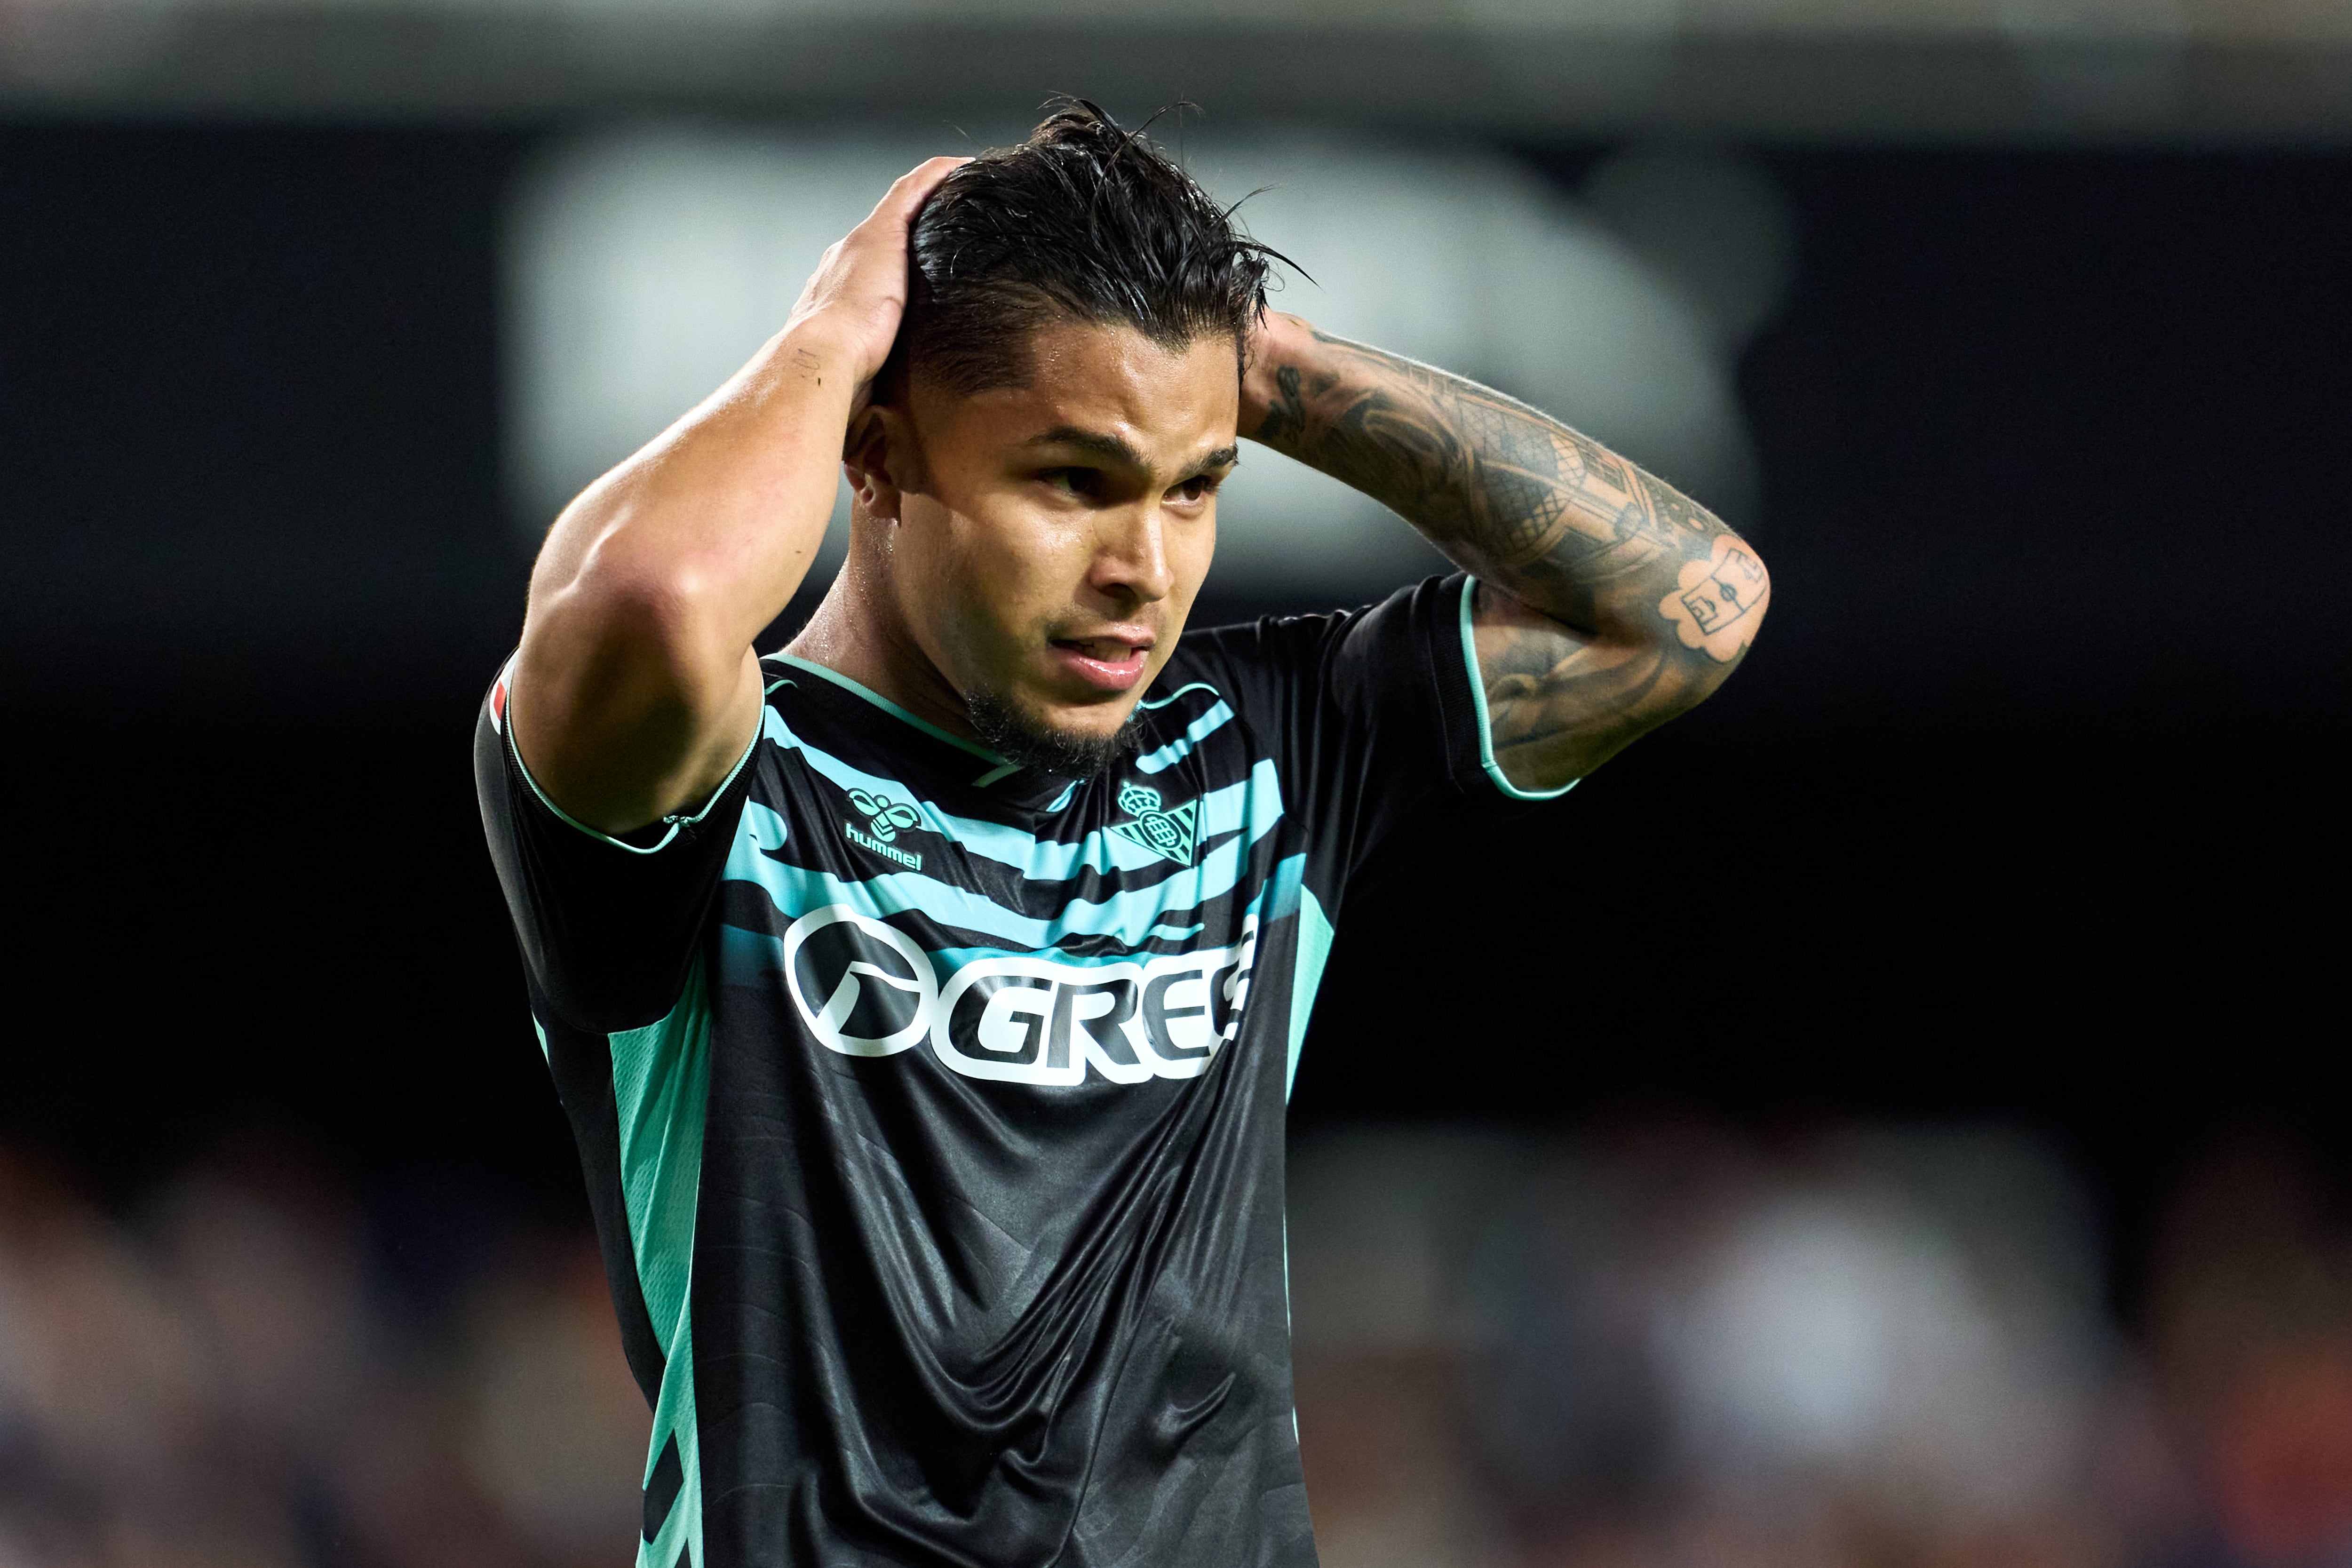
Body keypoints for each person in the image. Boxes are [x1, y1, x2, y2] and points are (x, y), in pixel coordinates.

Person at [476, 103, 1767, 1568]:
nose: (1142, 568)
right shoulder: (722, 788)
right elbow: (646, 598)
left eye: (1194, 486)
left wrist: (1267, 372)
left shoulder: (1259, 751)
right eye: (1074, 481)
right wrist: (835, 335)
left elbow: (1687, 609)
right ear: (877, 456)